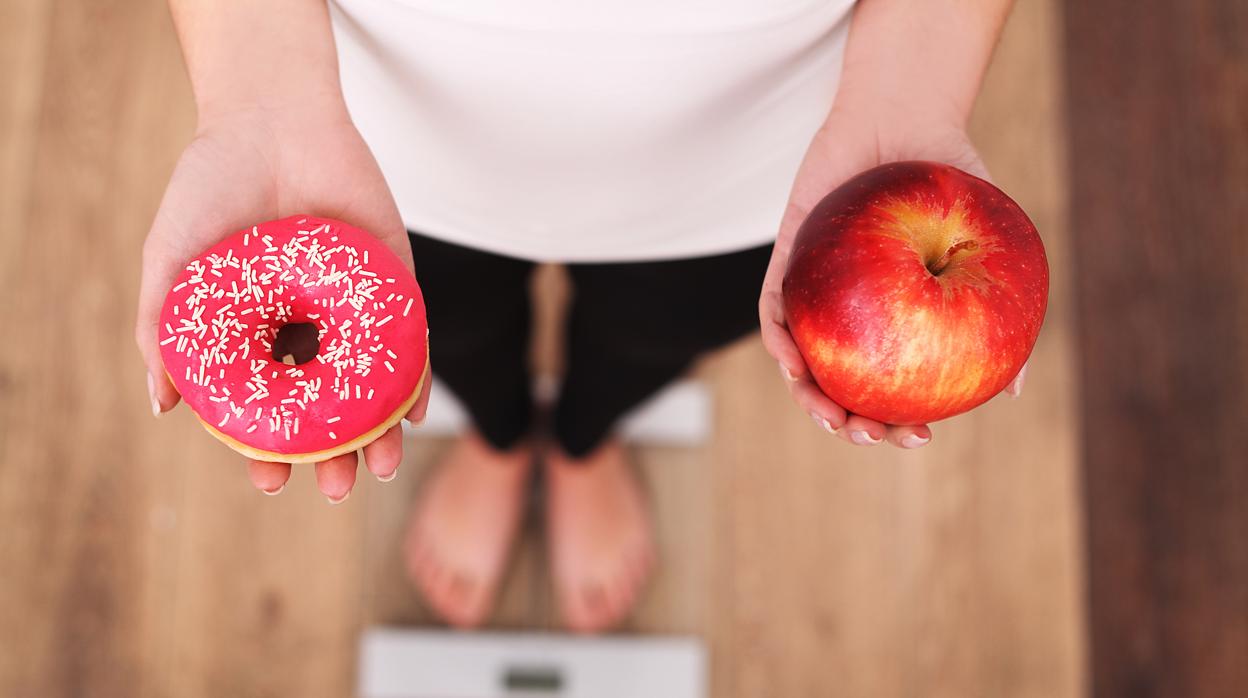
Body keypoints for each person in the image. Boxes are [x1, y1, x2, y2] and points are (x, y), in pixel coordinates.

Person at [135, 0, 1027, 633]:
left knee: (654, 334)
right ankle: (498, 433)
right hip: (362, 141)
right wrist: (256, 91)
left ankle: (583, 439)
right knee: (453, 330)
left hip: (776, 157)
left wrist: (912, 91)